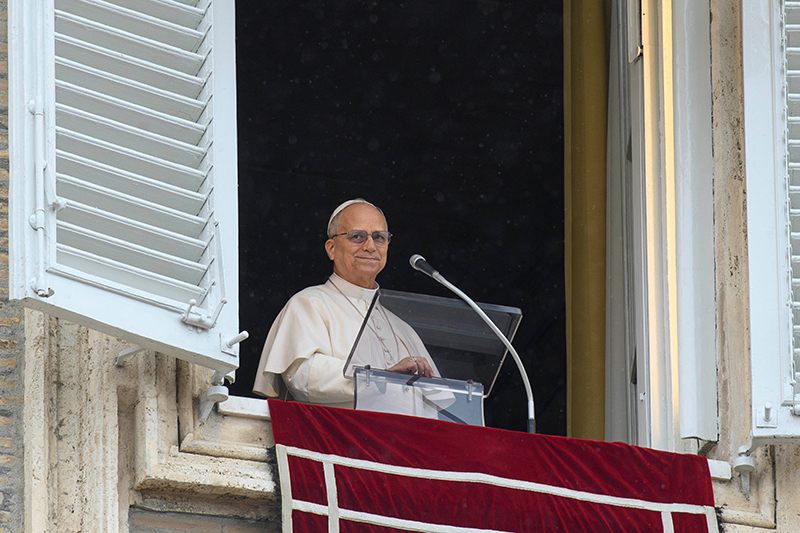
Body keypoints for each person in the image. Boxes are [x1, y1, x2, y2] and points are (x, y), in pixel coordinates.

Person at [253, 198, 438, 409]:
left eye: (379, 237)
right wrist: (378, 380)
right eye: (357, 236)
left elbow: (441, 405)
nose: (370, 246)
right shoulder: (308, 304)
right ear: (331, 248)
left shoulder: (403, 328)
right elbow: (303, 376)